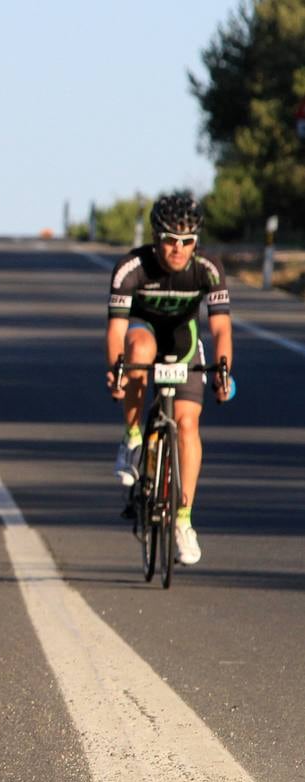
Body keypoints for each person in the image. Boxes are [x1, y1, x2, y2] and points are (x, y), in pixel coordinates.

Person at [106, 192, 233, 566]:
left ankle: (183, 520)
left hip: (182, 340)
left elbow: (222, 327)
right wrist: (116, 371)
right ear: (155, 237)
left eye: (187, 241)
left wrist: (223, 371)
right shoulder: (132, 268)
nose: (178, 250)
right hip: (144, 333)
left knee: (188, 424)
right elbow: (115, 330)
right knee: (139, 347)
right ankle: (131, 439)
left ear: (196, 241)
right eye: (169, 241)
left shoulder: (208, 268)